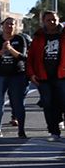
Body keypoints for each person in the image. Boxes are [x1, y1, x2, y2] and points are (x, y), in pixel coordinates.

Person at [0, 16, 28, 139]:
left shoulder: (20, 39)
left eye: (12, 24)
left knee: (18, 103)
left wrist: (10, 49)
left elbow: (23, 57)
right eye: (7, 24)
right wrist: (2, 51)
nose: (9, 26)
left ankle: (21, 130)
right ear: (2, 26)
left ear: (15, 26)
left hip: (16, 74)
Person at [26, 9, 65, 140]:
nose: (52, 22)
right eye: (49, 20)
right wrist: (31, 74)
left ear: (58, 19)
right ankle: (54, 132)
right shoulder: (39, 36)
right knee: (48, 104)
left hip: (62, 77)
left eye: (54, 19)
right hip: (44, 77)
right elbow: (30, 57)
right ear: (43, 21)